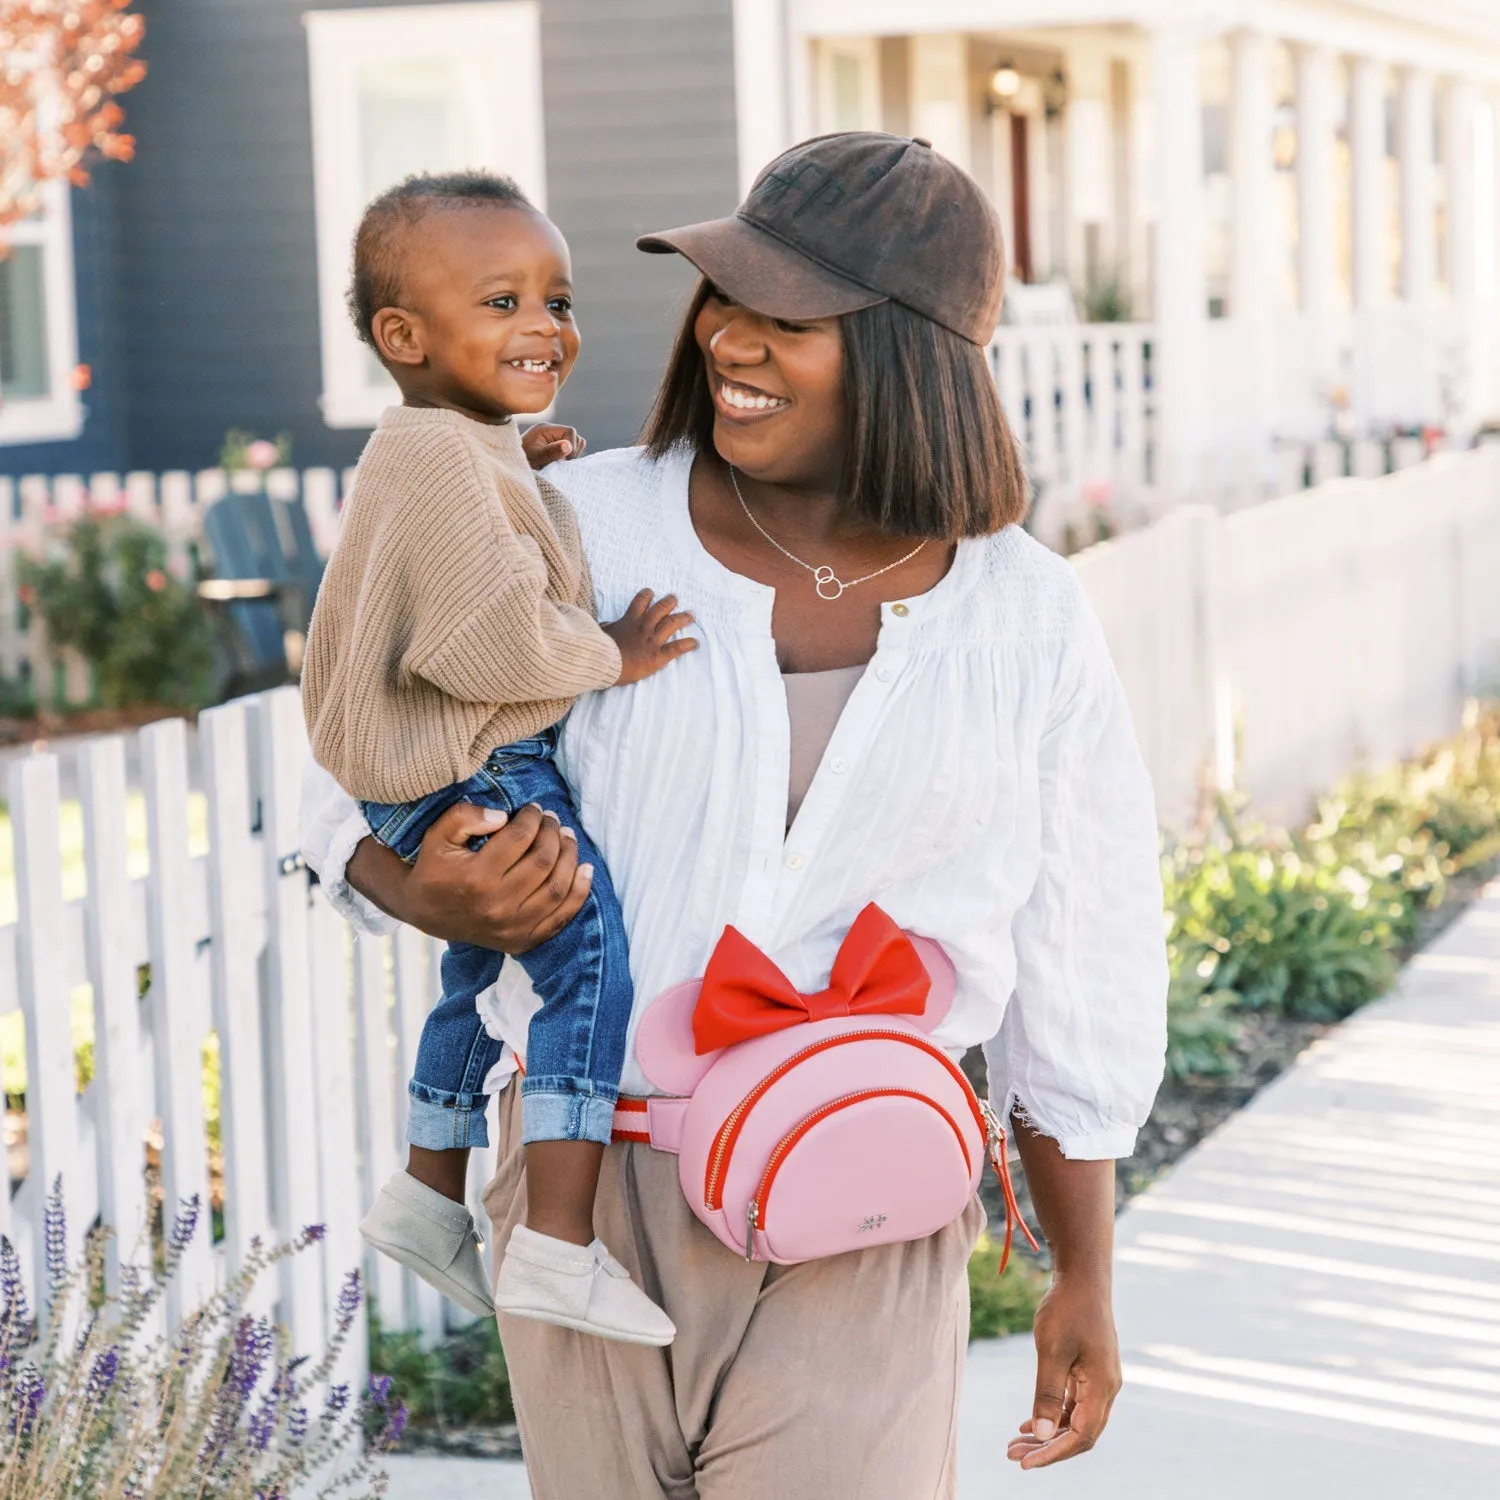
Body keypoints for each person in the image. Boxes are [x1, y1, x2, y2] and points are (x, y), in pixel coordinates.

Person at [302, 133, 1168, 1497]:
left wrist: (1085, 1275)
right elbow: (350, 759)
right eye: (725, 298)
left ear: (912, 353)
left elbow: (1084, 949)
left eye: (788, 318)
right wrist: (417, 885)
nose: (729, 340)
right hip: (589, 1195)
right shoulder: (583, 521)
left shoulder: (1026, 613)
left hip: (863, 1196)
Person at [301, 170, 692, 1346]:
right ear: (405, 337)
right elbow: (482, 634)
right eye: (503, 302)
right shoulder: (434, 453)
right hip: (479, 765)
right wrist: (610, 654)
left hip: (428, 776)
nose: (545, 327)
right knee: (590, 963)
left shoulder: (452, 445)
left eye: (557, 300)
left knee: (485, 977)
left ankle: (428, 1198)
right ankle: (559, 1244)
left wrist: (520, 465)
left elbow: (468, 541)